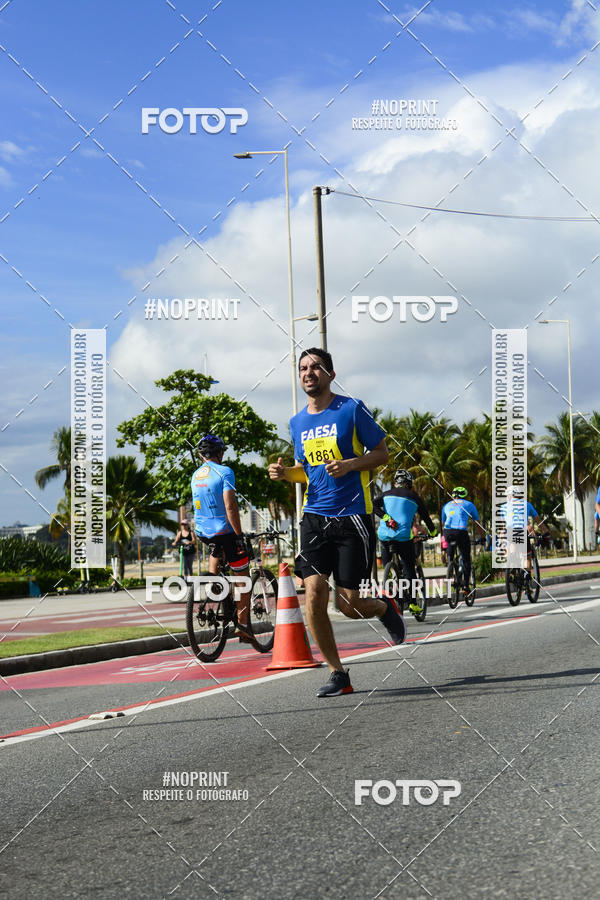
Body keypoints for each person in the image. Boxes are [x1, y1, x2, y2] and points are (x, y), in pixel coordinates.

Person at [268, 347, 407, 698]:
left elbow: (381, 453)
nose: (308, 372)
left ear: (330, 373)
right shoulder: (298, 422)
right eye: (302, 368)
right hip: (314, 517)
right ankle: (338, 673)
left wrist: (349, 465)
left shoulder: (351, 409)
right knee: (313, 594)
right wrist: (286, 474)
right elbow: (308, 472)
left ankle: (382, 606)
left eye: (315, 367)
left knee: (348, 604)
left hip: (352, 516)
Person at [191, 434, 254, 645]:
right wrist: (239, 534)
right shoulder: (225, 471)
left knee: (215, 550)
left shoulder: (195, 475)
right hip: (225, 531)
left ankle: (214, 584)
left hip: (203, 531)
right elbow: (230, 506)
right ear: (220, 453)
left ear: (201, 455)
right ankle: (242, 624)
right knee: (243, 578)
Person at [373, 469, 437, 616]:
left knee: (387, 563)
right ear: (409, 484)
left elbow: (373, 505)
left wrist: (387, 518)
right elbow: (427, 518)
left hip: (384, 536)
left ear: (395, 482)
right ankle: (413, 603)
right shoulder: (414, 497)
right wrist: (433, 532)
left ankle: (388, 584)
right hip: (403, 537)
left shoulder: (385, 494)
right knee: (409, 568)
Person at [441, 487, 484, 590]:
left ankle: (451, 564)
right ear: (465, 495)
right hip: (461, 531)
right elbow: (477, 523)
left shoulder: (446, 505)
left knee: (451, 550)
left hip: (447, 532)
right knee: (466, 558)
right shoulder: (469, 504)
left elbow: (443, 523)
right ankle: (465, 585)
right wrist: (482, 537)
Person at [499, 487, 548, 576]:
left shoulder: (503, 507)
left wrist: (502, 535)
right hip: (522, 530)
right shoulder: (527, 504)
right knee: (527, 556)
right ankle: (526, 575)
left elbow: (504, 526)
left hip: (509, 531)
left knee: (507, 544)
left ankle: (510, 563)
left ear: (509, 495)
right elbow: (538, 520)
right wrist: (545, 531)